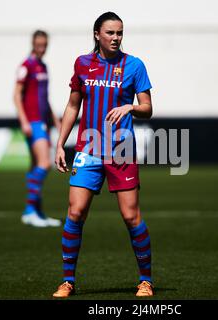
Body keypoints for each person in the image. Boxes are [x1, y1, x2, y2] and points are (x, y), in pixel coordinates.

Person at [52, 12, 154, 298]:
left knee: (131, 216)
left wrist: (131, 107)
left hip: (121, 150)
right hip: (88, 149)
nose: (116, 38)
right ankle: (67, 281)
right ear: (97, 34)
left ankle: (145, 281)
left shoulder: (134, 65)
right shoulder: (83, 64)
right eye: (110, 33)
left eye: (119, 33)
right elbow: (73, 106)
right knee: (75, 212)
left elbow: (147, 107)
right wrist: (61, 143)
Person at [13, 30, 61, 227]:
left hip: (43, 121)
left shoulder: (43, 66)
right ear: (33, 44)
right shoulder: (26, 66)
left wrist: (55, 120)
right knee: (44, 163)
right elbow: (16, 95)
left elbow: (44, 97)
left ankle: (38, 212)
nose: (42, 48)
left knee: (34, 166)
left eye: (44, 45)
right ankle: (29, 210)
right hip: (33, 121)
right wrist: (24, 121)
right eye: (39, 45)